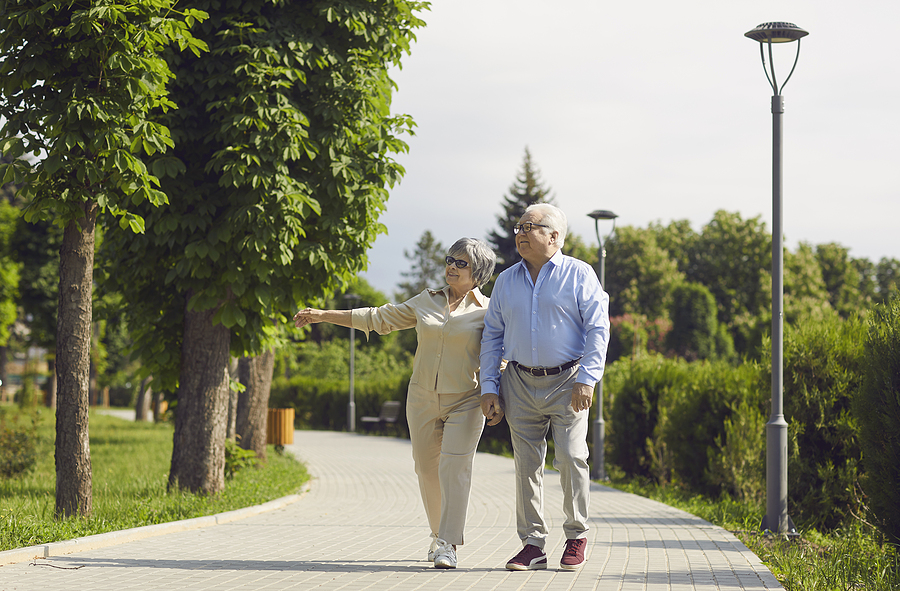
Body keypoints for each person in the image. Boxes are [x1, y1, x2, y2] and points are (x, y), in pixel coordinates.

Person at [293, 238, 499, 570]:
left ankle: (448, 543)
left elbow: (498, 355)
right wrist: (323, 315)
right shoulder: (426, 300)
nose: (451, 266)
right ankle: (438, 534)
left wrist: (494, 391)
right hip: (421, 398)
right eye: (450, 259)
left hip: (466, 400)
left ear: (478, 273)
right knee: (426, 469)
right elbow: (379, 317)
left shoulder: (489, 310)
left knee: (455, 469)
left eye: (461, 263)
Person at [480, 203, 610, 572]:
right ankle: (532, 544)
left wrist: (587, 378)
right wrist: (489, 386)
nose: (520, 233)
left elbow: (598, 328)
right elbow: (492, 336)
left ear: (553, 236)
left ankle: (576, 536)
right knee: (526, 465)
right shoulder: (506, 281)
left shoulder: (579, 274)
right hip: (518, 381)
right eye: (519, 227)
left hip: (569, 382)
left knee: (570, 457)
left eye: (529, 227)